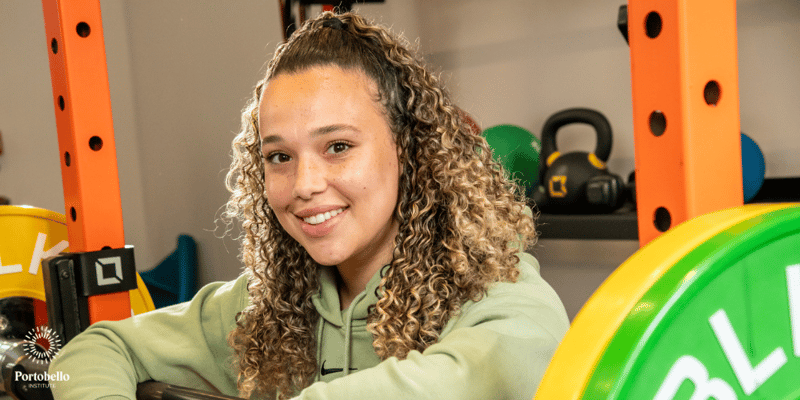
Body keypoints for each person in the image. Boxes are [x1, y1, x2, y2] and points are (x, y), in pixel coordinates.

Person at [49, 11, 569, 400]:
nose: (305, 183)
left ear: (410, 151)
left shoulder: (501, 296)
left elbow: (476, 379)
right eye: (279, 156)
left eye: (337, 147)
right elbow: (91, 352)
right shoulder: (268, 308)